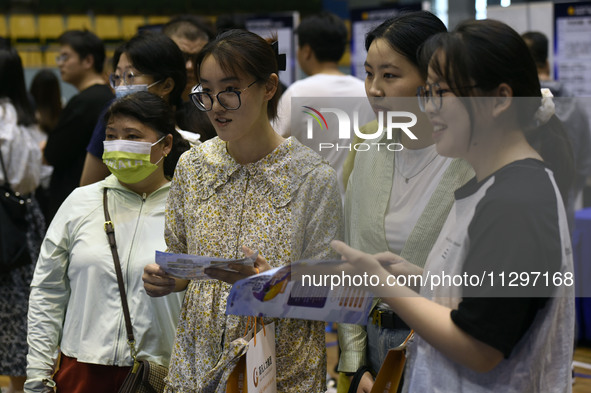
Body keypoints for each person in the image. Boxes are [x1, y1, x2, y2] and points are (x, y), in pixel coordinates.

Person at [305, 19, 575, 392]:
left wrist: (382, 282)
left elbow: (482, 347)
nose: (429, 106)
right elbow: (480, 295)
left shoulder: (516, 200)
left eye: (441, 93)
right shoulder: (499, 187)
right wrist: (418, 277)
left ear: (499, 99)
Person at [142, 29, 343, 393]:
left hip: (281, 368)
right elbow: (184, 261)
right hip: (198, 362)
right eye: (206, 91)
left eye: (230, 90)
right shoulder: (193, 166)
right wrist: (172, 279)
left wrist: (275, 285)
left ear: (268, 87)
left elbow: (330, 292)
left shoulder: (312, 177)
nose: (216, 105)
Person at [335, 11, 473, 393]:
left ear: (433, 80)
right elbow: (352, 261)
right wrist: (356, 364)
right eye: (368, 73)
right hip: (375, 352)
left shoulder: (471, 161)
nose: (374, 88)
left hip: (445, 348)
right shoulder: (367, 149)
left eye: (390, 75)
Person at [25, 91, 190, 393]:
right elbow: (48, 292)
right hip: (81, 371)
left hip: (157, 375)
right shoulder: (81, 201)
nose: (118, 146)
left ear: (165, 144)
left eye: (132, 136)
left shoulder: (187, 209)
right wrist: (37, 375)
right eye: (111, 136)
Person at [274, 11, 373, 199]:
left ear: (307, 51)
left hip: (311, 205)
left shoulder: (297, 93)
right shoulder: (365, 91)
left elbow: (270, 146)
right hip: (358, 204)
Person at [80, 31, 193, 186]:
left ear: (166, 85)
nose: (121, 86)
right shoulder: (114, 116)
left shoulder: (195, 119)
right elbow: (88, 183)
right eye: (118, 77)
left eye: (131, 76)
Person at [0, 46, 46, 393]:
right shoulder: (28, 118)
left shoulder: (5, 120)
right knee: (20, 314)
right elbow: (36, 176)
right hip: (23, 215)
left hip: (6, 217)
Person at [522, 31, 591, 230]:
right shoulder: (575, 105)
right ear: (547, 63)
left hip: (525, 215)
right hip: (564, 210)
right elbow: (585, 161)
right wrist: (568, 193)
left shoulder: (519, 107)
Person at [43, 30, 114, 221]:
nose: (60, 63)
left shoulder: (85, 102)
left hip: (74, 202)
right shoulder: (107, 96)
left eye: (65, 56)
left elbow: (51, 154)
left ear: (88, 61)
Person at [162, 15, 217, 142]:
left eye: (198, 57)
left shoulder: (214, 107)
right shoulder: (145, 109)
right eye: (182, 56)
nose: (190, 66)